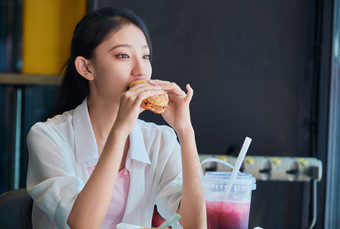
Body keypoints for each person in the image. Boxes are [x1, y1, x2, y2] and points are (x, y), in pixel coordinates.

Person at [26, 7, 206, 229]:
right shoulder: (48, 137)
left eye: (145, 56)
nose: (141, 70)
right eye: (123, 55)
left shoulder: (159, 140)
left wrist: (185, 130)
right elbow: (81, 224)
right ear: (86, 67)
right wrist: (120, 130)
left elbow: (194, 225)